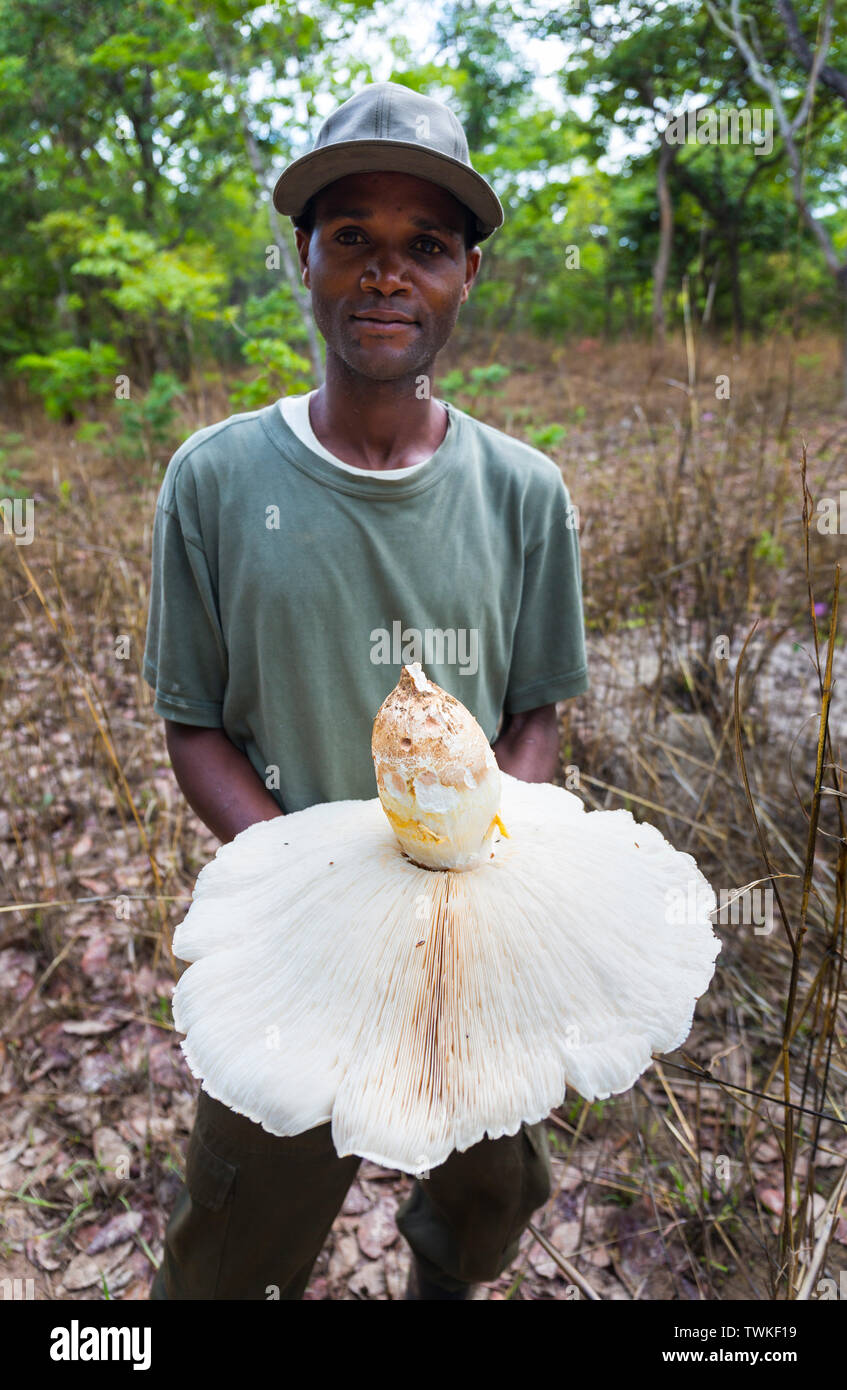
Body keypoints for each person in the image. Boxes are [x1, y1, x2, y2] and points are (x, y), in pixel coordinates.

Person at [143, 81, 590, 1300]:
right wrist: (310, 886)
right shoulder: (219, 480)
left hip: (476, 937)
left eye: (424, 247)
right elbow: (194, 721)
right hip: (300, 950)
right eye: (353, 240)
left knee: (491, 1189)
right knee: (237, 1244)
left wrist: (475, 853)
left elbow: (534, 713)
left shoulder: (521, 494)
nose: (386, 275)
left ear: (467, 277)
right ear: (306, 259)